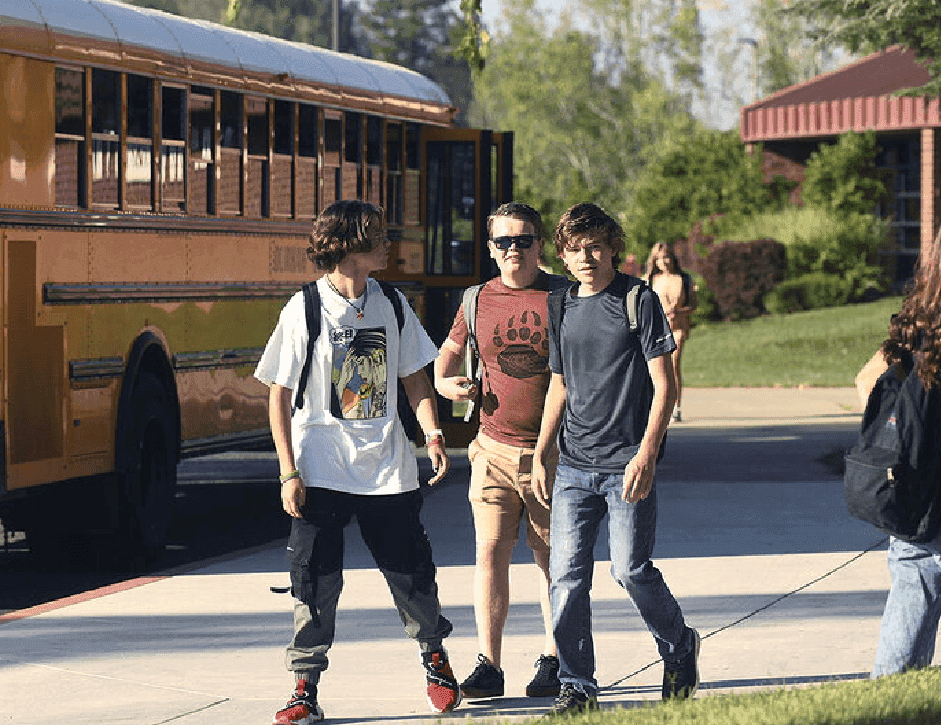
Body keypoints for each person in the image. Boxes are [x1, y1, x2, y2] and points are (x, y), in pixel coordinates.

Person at [255, 200, 462, 725]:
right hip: (320, 468)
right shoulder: (304, 309)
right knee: (314, 582)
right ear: (348, 244)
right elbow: (278, 395)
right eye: (378, 235)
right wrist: (288, 471)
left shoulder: (392, 303)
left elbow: (415, 374)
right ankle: (304, 687)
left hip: (385, 468)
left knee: (411, 572)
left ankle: (435, 660)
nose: (388, 243)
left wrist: (432, 433)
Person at [530, 203, 700, 715]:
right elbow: (558, 383)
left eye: (596, 246)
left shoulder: (636, 299)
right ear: (562, 254)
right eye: (576, 248)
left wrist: (647, 454)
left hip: (627, 462)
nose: (586, 256)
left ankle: (678, 645)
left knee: (629, 570)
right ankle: (578, 683)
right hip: (575, 468)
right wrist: (543, 450)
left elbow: (664, 383)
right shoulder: (560, 305)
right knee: (566, 576)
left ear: (612, 249)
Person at [433, 202, 563, 700]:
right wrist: (448, 387)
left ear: (539, 245)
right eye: (503, 242)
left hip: (549, 454)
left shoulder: (562, 296)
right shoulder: (476, 299)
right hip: (490, 450)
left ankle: (555, 657)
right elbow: (446, 358)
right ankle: (490, 663)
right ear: (490, 249)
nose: (513, 250)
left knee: (551, 558)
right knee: (489, 554)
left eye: (523, 240)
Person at [855, 226, 941, 679]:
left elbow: (866, 380)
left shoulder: (917, 322)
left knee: (898, 669)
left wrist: (898, 442)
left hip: (914, 500)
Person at [645, 243, 696, 422]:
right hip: (657, 329)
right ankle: (657, 405)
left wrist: (679, 311)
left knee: (673, 364)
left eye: (666, 257)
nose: (663, 262)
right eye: (659, 259)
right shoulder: (650, 280)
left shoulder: (684, 278)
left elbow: (693, 305)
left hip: (678, 327)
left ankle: (676, 405)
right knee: (655, 369)